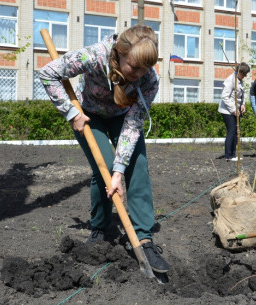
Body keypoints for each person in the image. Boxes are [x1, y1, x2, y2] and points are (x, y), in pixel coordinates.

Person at [39, 25, 169, 273]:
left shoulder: (149, 79)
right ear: (120, 53)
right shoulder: (95, 56)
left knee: (137, 165)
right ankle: (99, 228)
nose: (139, 73)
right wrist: (71, 113)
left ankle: (143, 238)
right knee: (104, 167)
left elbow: (133, 124)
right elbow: (47, 74)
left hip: (123, 117)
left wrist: (121, 171)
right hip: (88, 115)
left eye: (145, 67)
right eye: (134, 66)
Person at [218, 62, 250, 161]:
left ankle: (234, 154)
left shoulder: (240, 81)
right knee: (231, 131)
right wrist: (233, 109)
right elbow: (225, 97)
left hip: (236, 110)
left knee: (236, 131)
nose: (245, 76)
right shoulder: (231, 80)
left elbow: (242, 94)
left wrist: (243, 104)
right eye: (244, 74)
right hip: (227, 110)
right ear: (239, 71)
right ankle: (228, 155)